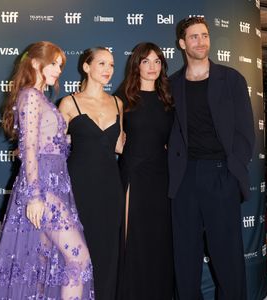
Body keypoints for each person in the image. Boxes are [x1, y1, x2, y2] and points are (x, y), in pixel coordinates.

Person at [0, 41, 94, 300]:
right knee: (78, 258)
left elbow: (45, 143)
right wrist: (34, 196)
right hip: (42, 189)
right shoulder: (31, 96)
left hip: (54, 184)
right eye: (52, 63)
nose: (57, 69)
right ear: (34, 62)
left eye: (60, 65)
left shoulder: (41, 98)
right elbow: (29, 147)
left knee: (44, 268)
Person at [168, 17, 255, 299]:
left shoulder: (231, 79)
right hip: (185, 179)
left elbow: (245, 132)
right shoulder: (172, 85)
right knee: (185, 255)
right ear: (182, 43)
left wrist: (234, 169)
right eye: (193, 37)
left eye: (204, 35)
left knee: (227, 254)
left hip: (221, 174)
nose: (200, 41)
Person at [59, 47, 125, 300]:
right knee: (78, 252)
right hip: (79, 186)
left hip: (111, 186)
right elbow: (55, 144)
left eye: (111, 65)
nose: (108, 70)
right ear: (86, 67)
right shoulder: (69, 103)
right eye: (101, 64)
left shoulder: (118, 103)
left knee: (108, 252)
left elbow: (120, 145)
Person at [115, 42, 174, 299]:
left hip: (162, 177)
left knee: (159, 239)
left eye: (157, 61)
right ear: (136, 64)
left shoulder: (169, 99)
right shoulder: (122, 99)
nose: (152, 67)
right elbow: (114, 141)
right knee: (133, 239)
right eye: (146, 61)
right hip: (133, 174)